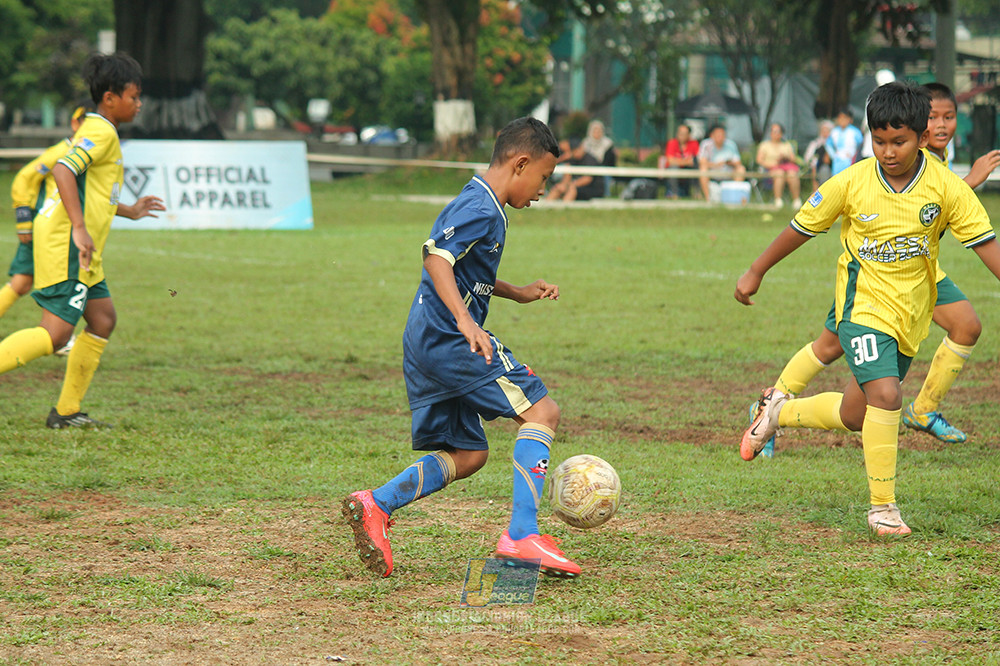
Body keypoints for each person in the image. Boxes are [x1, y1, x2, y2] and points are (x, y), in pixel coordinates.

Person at [734, 81, 1000, 536]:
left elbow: (986, 245)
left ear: (921, 137)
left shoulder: (947, 189)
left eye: (898, 142)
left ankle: (778, 412)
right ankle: (883, 509)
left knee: (858, 416)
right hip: (861, 312)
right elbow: (801, 227)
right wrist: (757, 269)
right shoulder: (854, 180)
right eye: (879, 141)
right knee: (887, 397)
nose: (888, 151)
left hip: (910, 317)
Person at [342, 117, 581, 578]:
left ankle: (376, 503)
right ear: (521, 162)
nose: (543, 189)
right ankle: (522, 535)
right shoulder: (483, 206)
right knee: (542, 413)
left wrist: (517, 292)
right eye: (544, 178)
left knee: (469, 453)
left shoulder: (485, 203)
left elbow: (467, 271)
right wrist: (466, 320)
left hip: (427, 340)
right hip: (451, 338)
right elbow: (436, 259)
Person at [0, 52, 165, 429]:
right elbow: (62, 170)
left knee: (103, 319)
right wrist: (78, 227)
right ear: (110, 98)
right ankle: (65, 412)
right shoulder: (100, 131)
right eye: (133, 96)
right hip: (68, 244)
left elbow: (94, 193)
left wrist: (130, 210)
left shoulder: (101, 129)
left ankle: (66, 412)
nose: (138, 104)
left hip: (80, 248)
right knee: (56, 334)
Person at [5, 102, 96, 356]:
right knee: (22, 284)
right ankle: (60, 335)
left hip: (57, 229)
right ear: (74, 124)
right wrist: (24, 219)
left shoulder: (87, 151)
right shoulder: (64, 151)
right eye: (82, 121)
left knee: (23, 284)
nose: (85, 127)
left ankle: (60, 335)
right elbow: (24, 177)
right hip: (46, 227)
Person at [755, 123, 802, 208]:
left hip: (786, 168)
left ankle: (796, 200)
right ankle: (778, 200)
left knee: (792, 174)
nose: (775, 134)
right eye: (773, 131)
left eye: (777, 132)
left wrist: (785, 157)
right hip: (770, 170)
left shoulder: (786, 145)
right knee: (779, 173)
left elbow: (793, 159)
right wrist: (772, 164)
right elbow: (759, 160)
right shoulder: (764, 145)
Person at [698, 124, 746, 201]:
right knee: (703, 169)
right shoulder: (706, 145)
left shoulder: (731, 145)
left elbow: (738, 163)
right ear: (712, 136)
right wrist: (717, 165)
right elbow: (702, 162)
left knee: (741, 169)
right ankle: (708, 199)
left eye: (722, 135)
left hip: (728, 171)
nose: (720, 138)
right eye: (718, 135)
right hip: (712, 172)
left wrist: (729, 163)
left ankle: (735, 197)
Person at [664, 123, 699, 198]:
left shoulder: (693, 143)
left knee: (697, 167)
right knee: (673, 168)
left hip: (688, 169)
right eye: (680, 133)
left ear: (689, 135)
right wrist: (686, 161)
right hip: (674, 169)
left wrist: (679, 161)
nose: (681, 135)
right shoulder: (672, 143)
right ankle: (674, 194)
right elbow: (671, 161)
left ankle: (697, 193)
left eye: (684, 133)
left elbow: (696, 160)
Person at [825, 108, 864, 175]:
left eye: (845, 118)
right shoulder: (834, 132)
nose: (842, 120)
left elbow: (861, 146)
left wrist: (854, 156)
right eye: (840, 118)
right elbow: (828, 144)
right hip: (837, 162)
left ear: (850, 119)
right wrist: (833, 155)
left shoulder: (855, 132)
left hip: (851, 162)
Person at [802, 120, 833, 192]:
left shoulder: (834, 143)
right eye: (823, 131)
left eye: (827, 131)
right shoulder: (815, 143)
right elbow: (807, 158)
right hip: (817, 167)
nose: (825, 133)